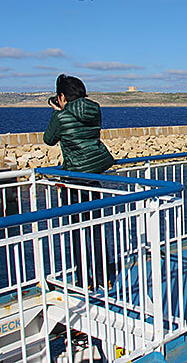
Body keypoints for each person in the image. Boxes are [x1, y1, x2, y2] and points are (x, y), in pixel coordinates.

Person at [44, 74, 115, 289]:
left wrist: (57, 113)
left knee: (78, 232)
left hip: (74, 179)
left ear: (62, 96)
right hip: (94, 176)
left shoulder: (61, 116)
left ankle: (84, 279)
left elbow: (49, 139)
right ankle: (104, 278)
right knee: (97, 229)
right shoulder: (95, 111)